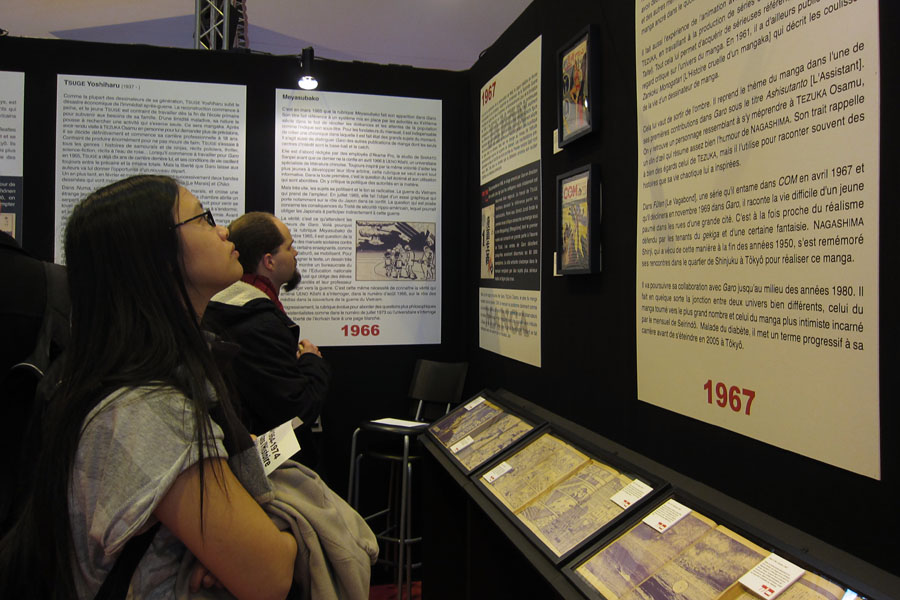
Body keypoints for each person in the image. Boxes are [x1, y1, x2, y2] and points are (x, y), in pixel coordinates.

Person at [0, 175, 297, 599]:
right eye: (201, 218)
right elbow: (272, 575)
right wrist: (288, 532)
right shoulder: (151, 411)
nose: (224, 230)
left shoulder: (124, 381)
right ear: (156, 257)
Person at [202, 212, 330, 470]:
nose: (295, 253)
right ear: (269, 261)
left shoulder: (232, 309)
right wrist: (311, 362)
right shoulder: (258, 322)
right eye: (289, 246)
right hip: (274, 467)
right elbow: (295, 410)